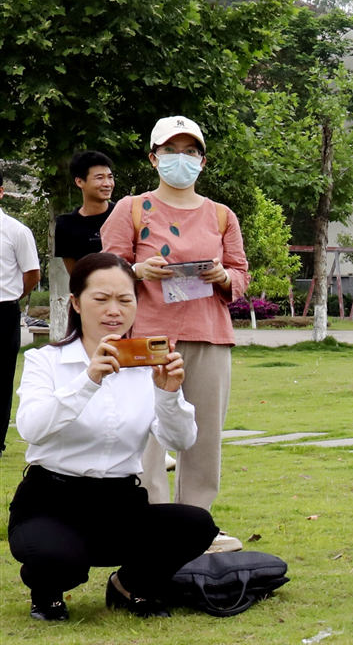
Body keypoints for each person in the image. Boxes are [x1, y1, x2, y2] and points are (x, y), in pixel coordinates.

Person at [10, 252, 218, 621]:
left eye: (125, 300)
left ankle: (129, 587)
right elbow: (31, 428)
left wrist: (169, 394)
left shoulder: (145, 367)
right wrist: (88, 380)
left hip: (120, 501)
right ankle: (47, 593)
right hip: (51, 499)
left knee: (196, 525)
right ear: (75, 302)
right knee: (58, 558)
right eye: (100, 299)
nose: (114, 310)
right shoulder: (46, 361)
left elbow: (181, 440)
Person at [98, 115, 246, 542]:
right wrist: (138, 269)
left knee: (203, 434)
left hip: (208, 333)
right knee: (145, 432)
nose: (180, 159)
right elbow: (104, 272)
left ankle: (196, 526)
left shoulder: (221, 215)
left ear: (202, 161)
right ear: (153, 157)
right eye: (170, 151)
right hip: (147, 336)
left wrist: (223, 277)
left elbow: (240, 272)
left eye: (190, 151)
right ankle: (151, 523)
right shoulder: (132, 208)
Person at [0, 179, 41, 456]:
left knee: (1, 379)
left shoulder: (16, 230)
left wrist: (14, 295)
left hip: (3, 309)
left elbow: (32, 274)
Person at [54, 152, 116, 276]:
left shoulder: (123, 214)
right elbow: (75, 275)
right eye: (99, 178)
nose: (107, 183)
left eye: (110, 177)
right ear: (79, 182)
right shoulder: (66, 225)